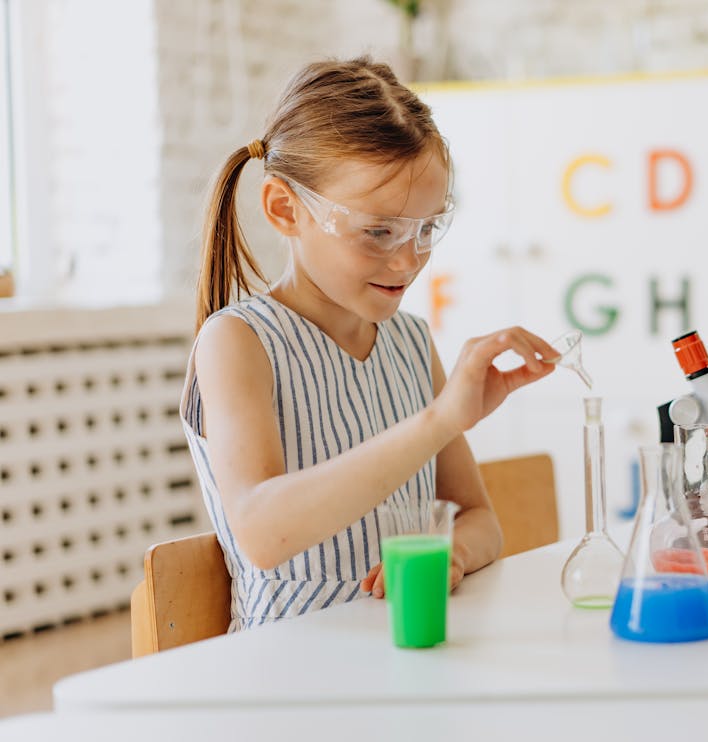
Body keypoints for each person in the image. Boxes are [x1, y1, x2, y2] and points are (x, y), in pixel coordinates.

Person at [181, 56, 557, 632]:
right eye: (378, 231)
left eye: (426, 229)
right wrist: (436, 421)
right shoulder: (238, 341)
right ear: (286, 209)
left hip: (403, 653)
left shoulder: (409, 341)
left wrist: (451, 553)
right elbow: (262, 533)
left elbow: (479, 519)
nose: (408, 261)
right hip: (288, 672)